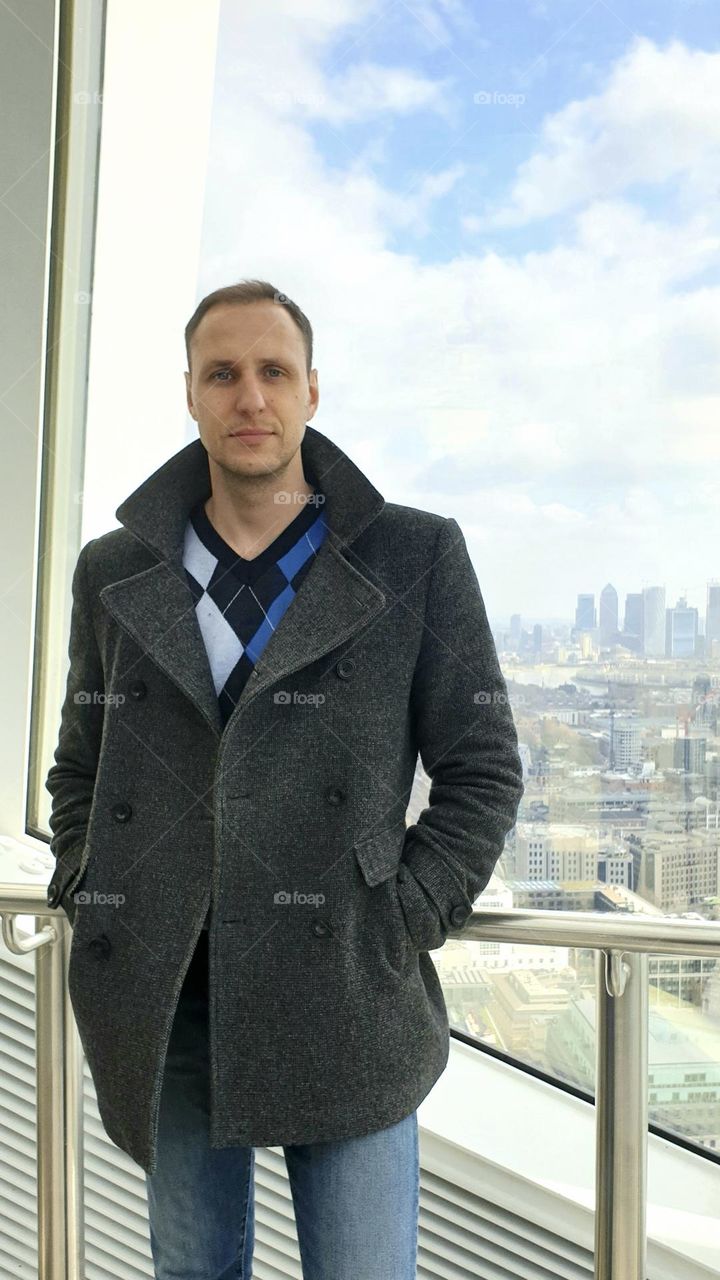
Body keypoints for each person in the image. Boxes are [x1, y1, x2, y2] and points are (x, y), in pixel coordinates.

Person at [45, 279, 525, 1279]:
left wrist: (400, 916)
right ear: (189, 393)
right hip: (169, 986)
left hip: (345, 984)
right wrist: (92, 887)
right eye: (223, 373)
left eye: (274, 371)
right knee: (193, 1268)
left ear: (313, 390)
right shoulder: (114, 566)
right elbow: (82, 761)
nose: (249, 396)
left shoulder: (414, 554)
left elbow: (481, 768)